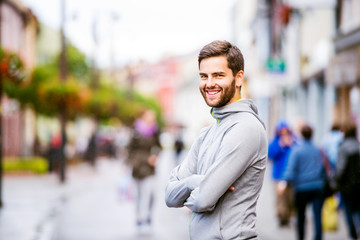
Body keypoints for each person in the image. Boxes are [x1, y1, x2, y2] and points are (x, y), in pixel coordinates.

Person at [165, 40, 268, 240]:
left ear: (238, 78)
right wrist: (195, 182)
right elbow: (169, 196)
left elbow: (203, 200)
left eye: (218, 75)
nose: (209, 83)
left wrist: (193, 188)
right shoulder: (207, 133)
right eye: (204, 76)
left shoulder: (246, 128)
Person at [281, 124, 326, 240]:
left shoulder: (297, 151)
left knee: (301, 217)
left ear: (301, 135)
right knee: (317, 216)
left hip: (302, 188)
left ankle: (301, 237)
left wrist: (284, 182)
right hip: (317, 187)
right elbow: (323, 167)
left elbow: (291, 169)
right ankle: (318, 237)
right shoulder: (318, 149)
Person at [127, 109, 161, 234]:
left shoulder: (155, 130)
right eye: (149, 116)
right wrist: (130, 162)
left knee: (150, 194)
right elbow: (129, 148)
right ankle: (141, 219)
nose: (151, 118)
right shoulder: (136, 129)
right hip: (137, 167)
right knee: (140, 194)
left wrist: (155, 155)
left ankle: (146, 216)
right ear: (144, 116)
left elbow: (158, 146)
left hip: (149, 167)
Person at [334, 122, 360, 239]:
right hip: (358, 185)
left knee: (348, 210)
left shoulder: (343, 148)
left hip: (347, 186)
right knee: (358, 209)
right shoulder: (358, 146)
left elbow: (340, 169)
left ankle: (353, 234)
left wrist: (335, 182)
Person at [268, 120, 296, 226]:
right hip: (278, 176)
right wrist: (281, 146)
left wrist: (292, 145)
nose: (284, 134)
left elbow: (297, 154)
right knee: (280, 199)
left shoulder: (294, 141)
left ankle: (289, 216)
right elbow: (270, 155)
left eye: (286, 131)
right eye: (282, 132)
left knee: (290, 198)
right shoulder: (275, 142)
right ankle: (281, 218)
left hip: (291, 176)